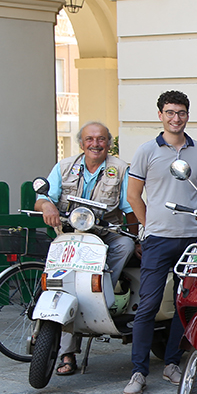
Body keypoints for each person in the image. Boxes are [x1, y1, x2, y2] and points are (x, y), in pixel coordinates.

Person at [122, 90, 197, 394]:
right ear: (160, 115)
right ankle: (138, 371)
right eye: (170, 112)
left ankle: (173, 363)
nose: (176, 118)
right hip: (158, 239)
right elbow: (133, 195)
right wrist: (150, 225)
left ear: (188, 115)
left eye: (182, 112)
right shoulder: (147, 151)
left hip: (192, 239)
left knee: (183, 304)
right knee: (147, 304)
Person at [35, 121, 136, 377]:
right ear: (81, 143)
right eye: (89, 139)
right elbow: (43, 196)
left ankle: (101, 289)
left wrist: (139, 237)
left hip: (105, 235)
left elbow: (129, 208)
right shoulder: (64, 166)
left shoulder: (120, 168)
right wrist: (47, 206)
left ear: (108, 143)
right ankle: (66, 352)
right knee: (64, 285)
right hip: (71, 235)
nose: (95, 144)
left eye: (101, 139)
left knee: (125, 244)